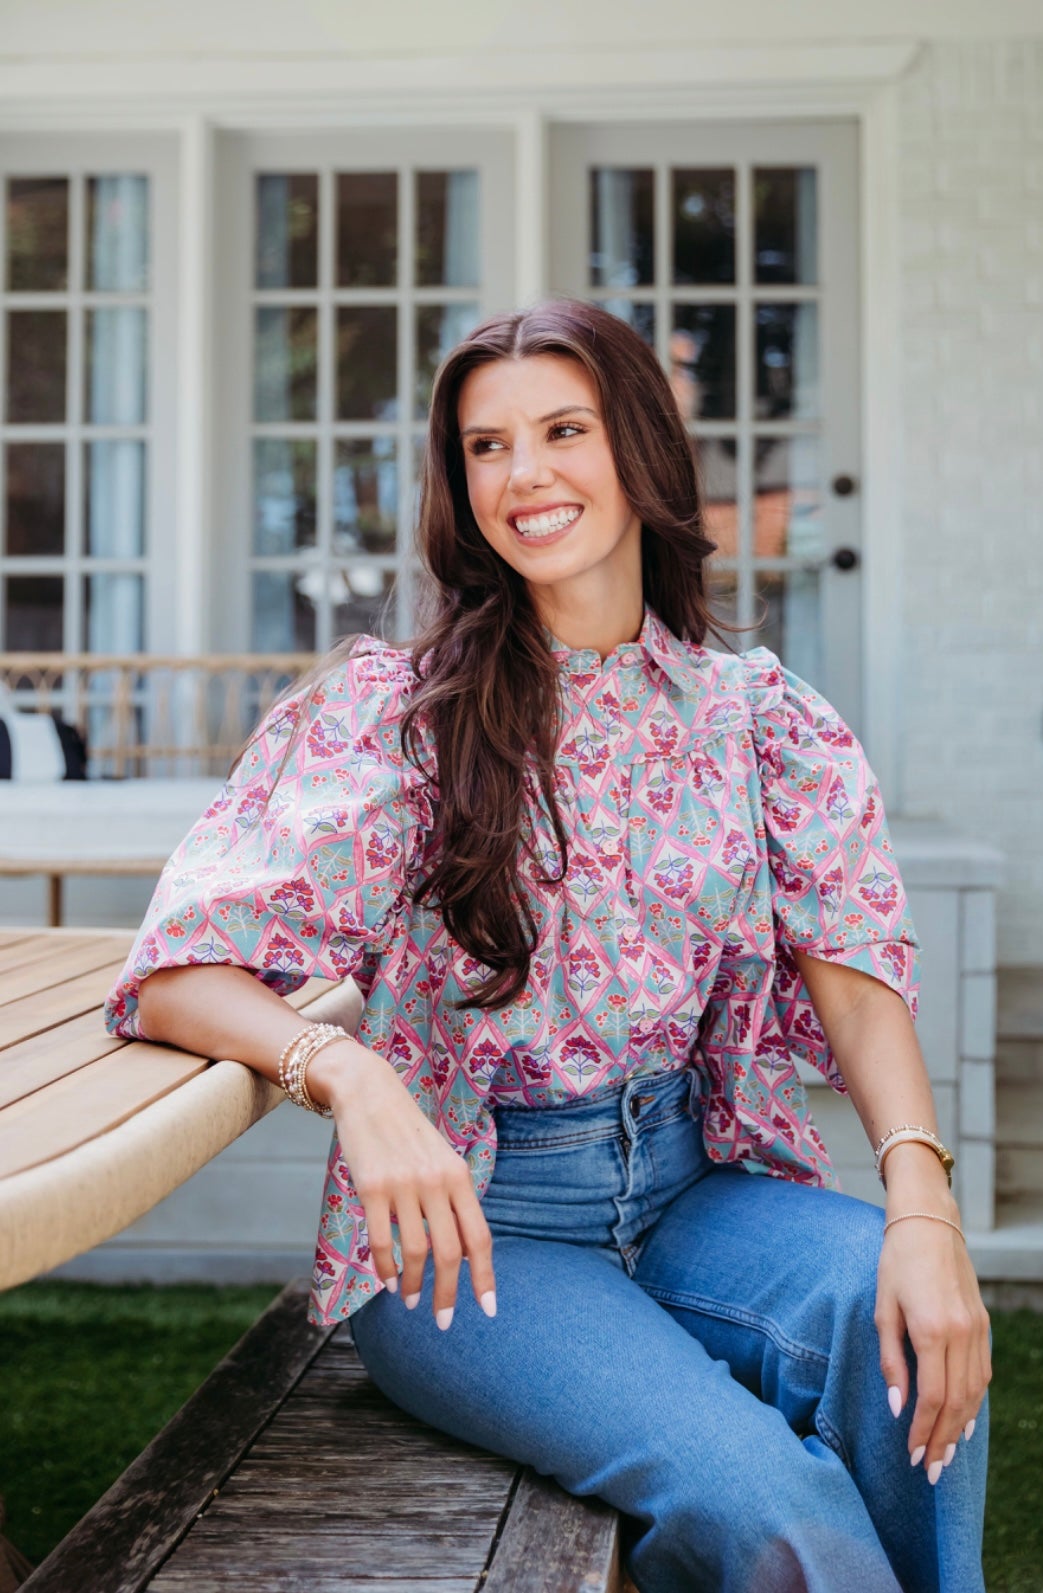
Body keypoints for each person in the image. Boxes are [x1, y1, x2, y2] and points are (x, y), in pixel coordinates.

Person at [104, 298, 991, 1593]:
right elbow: (177, 965)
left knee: (902, 1314)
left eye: (562, 430)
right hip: (480, 1235)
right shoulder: (400, 718)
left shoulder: (758, 719)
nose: (523, 476)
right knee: (772, 1501)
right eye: (486, 446)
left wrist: (924, 1205)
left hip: (695, 1187)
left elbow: (854, 979)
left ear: (638, 447)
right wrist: (347, 1076)